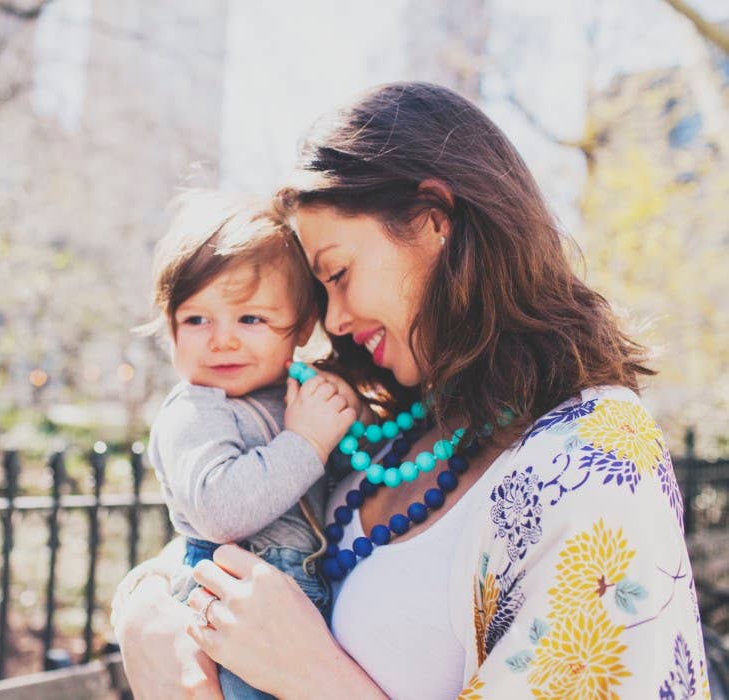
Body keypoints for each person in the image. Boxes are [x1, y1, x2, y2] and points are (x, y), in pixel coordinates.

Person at [111, 81, 710, 699]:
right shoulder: (401, 430)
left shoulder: (594, 457)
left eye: (338, 275)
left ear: (432, 221)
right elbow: (220, 538)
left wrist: (310, 674)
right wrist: (144, 612)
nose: (334, 321)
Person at [139, 191, 373, 699]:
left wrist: (344, 410)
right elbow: (221, 510)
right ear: (170, 326)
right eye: (197, 319)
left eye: (251, 319)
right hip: (227, 607)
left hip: (292, 608)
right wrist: (307, 439)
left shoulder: (289, 392)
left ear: (303, 326)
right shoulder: (194, 411)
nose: (222, 339)